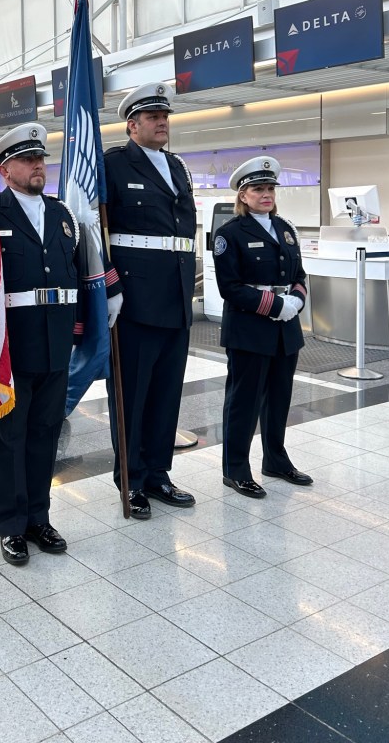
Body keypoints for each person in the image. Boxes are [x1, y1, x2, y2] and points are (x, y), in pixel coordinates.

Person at [0, 123, 84, 565]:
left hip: (55, 341)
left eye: (40, 158)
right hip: (10, 345)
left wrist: (79, 331)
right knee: (9, 436)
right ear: (5, 170)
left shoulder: (62, 215)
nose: (37, 166)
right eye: (27, 160)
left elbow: (76, 276)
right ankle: (10, 525)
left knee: (46, 433)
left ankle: (38, 518)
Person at [105, 82, 196, 519]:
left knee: (165, 394)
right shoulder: (113, 164)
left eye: (165, 116)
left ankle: (158, 473)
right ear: (132, 125)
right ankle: (132, 479)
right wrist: (109, 286)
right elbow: (92, 231)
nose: (162, 123)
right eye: (153, 117)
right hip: (135, 300)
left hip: (176, 297)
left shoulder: (177, 166)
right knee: (132, 396)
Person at [213, 156, 313, 498]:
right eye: (258, 189)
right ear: (243, 195)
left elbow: (299, 275)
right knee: (244, 400)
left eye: (270, 188)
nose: (266, 194)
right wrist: (276, 306)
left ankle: (276, 460)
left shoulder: (285, 228)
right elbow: (230, 287)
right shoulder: (230, 233)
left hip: (286, 329)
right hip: (250, 328)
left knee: (279, 398)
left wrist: (295, 301)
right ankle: (236, 469)